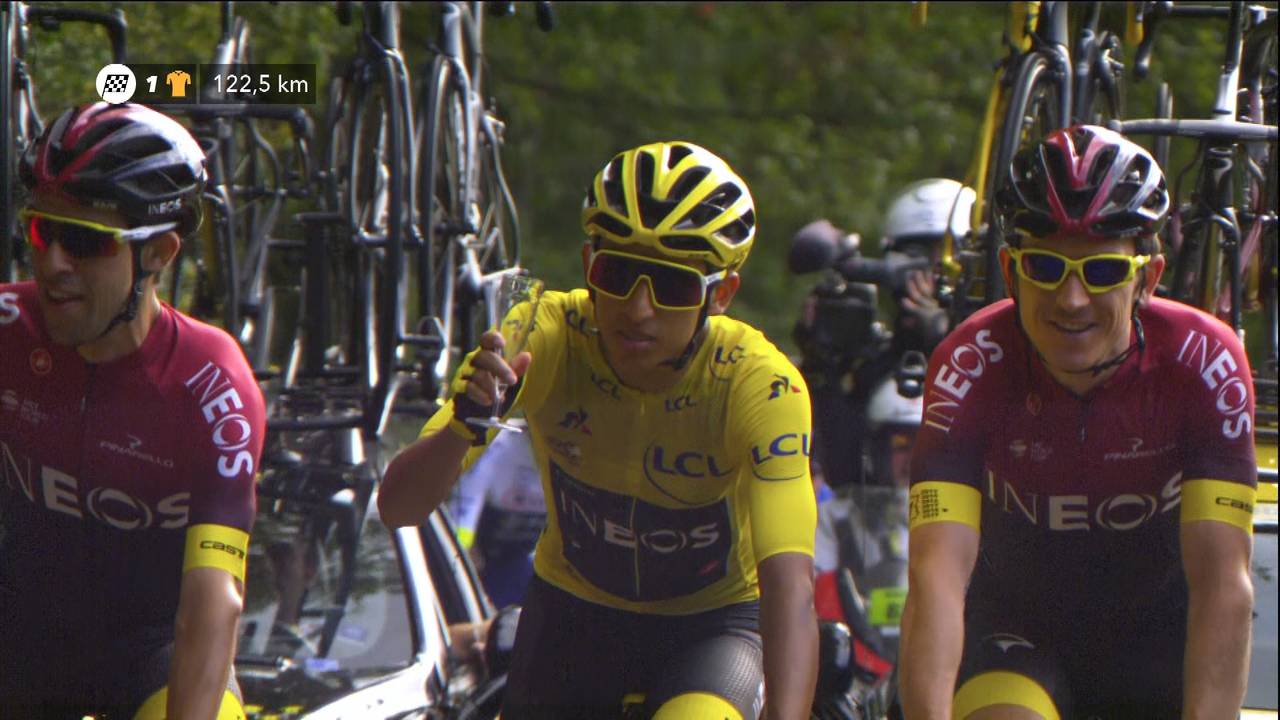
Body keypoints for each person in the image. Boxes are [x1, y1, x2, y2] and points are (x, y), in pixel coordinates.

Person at [380, 140, 819, 720]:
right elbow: (398, 509)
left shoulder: (759, 384)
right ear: (589, 266)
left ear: (722, 296)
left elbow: (790, 588)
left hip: (710, 628)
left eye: (672, 286)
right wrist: (465, 424)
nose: (638, 309)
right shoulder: (542, 335)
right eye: (617, 274)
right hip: (574, 617)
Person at [899, 125, 1257, 718]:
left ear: (1148, 278)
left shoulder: (1206, 363)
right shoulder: (969, 364)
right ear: (1010, 273)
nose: (1069, 299)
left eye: (1102, 273)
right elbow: (935, 576)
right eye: (1045, 268)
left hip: (1157, 646)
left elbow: (1223, 583)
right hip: (1015, 634)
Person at [0, 102, 265, 720]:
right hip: (20, 637)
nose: (54, 263)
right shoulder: (8, 328)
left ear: (159, 254)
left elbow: (214, 599)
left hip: (152, 654)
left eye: (86, 240)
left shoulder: (210, 384)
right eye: (43, 231)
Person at [447, 423, 546, 608]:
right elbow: (462, 516)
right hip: (486, 560)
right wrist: (464, 553)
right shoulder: (498, 444)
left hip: (531, 560)